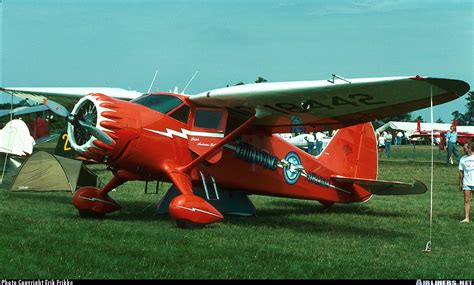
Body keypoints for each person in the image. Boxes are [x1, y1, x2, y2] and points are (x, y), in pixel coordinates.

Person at [458, 141, 474, 223]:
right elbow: (461, 172)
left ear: (470, 148)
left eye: (465, 147)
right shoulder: (463, 159)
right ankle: (466, 218)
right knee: (466, 200)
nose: (463, 148)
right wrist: (460, 184)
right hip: (467, 183)